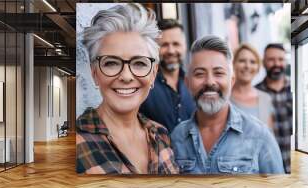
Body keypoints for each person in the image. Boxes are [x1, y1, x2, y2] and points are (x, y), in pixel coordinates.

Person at [76, 3, 178, 174]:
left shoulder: (161, 134)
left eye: (139, 63)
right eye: (111, 63)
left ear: (153, 74)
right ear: (94, 73)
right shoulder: (78, 141)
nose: (126, 76)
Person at [170, 35, 284, 174]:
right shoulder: (177, 137)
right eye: (200, 74)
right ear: (187, 83)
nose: (210, 82)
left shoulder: (259, 135)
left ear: (232, 80)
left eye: (218, 73)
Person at [140, 19, 196, 133]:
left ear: (185, 46)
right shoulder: (144, 85)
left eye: (176, 44)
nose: (171, 51)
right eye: (164, 45)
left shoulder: (194, 83)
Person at [256, 43, 292, 174]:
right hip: (268, 169)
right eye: (271, 59)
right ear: (264, 62)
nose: (276, 63)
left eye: (280, 59)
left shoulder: (296, 90)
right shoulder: (255, 93)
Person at [230, 43, 275, 130]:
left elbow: (270, 136)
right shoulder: (224, 98)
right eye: (242, 61)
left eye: (252, 62)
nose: (247, 66)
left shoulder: (265, 99)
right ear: (233, 64)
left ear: (258, 67)